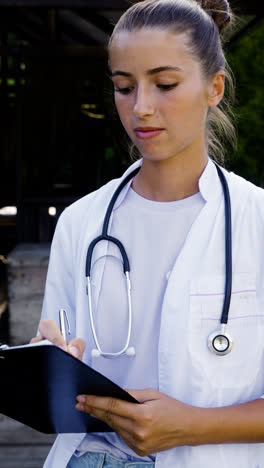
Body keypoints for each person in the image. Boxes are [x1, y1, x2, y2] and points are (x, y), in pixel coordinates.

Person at [31, 0, 264, 467]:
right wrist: (49, 364)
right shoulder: (81, 222)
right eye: (123, 87)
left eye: (165, 84)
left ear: (214, 88)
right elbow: (58, 367)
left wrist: (192, 425)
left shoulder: (256, 221)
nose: (141, 107)